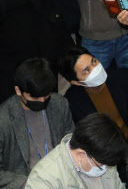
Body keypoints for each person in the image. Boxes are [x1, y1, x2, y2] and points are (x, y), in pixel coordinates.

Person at [0, 58, 74, 188]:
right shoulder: (3, 119)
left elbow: (71, 141)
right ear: (18, 90)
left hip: (63, 175)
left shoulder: (59, 103)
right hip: (27, 182)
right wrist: (30, 184)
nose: (42, 101)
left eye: (46, 95)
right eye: (35, 97)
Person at [24, 113, 126, 189]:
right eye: (101, 165)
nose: (105, 168)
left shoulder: (102, 156)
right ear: (80, 154)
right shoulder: (44, 179)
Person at [58, 46, 128, 137]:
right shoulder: (71, 102)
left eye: (94, 62)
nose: (95, 69)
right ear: (76, 82)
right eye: (86, 71)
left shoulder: (123, 76)